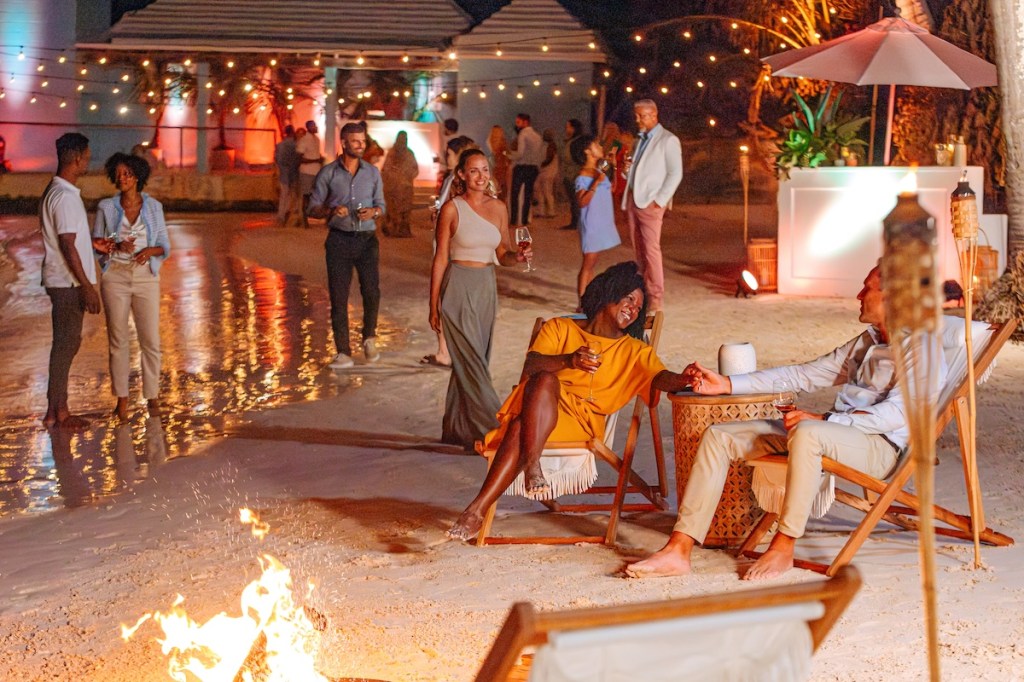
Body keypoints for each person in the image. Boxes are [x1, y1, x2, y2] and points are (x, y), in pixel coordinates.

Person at [626, 266, 947, 581]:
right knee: (719, 436)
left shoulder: (923, 347)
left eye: (868, 289)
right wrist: (727, 383)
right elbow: (803, 374)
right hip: (834, 433)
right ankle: (679, 549)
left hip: (880, 447)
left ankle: (784, 545)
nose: (860, 295)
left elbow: (897, 414)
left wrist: (825, 420)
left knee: (807, 431)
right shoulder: (869, 341)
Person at [447, 261, 693, 541]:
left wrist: (685, 379)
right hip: (541, 411)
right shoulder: (559, 329)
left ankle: (490, 498)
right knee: (543, 380)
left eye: (639, 307)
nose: (634, 309)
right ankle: (496, 494)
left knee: (520, 426)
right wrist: (569, 360)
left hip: (581, 423)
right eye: (629, 299)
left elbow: (660, 377)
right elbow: (532, 365)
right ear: (609, 292)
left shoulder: (634, 351)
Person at [429, 148, 531, 450]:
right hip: (457, 287)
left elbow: (503, 255)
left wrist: (520, 256)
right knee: (472, 363)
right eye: (473, 170)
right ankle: (497, 429)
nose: (481, 176)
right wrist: (433, 303)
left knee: (475, 359)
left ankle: (459, 431)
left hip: (486, 286)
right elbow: (440, 258)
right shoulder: (451, 209)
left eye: (485, 170)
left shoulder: (499, 208)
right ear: (461, 174)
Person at [93, 152, 172, 420]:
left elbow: (165, 246)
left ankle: (152, 397)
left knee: (150, 339)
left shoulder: (154, 208)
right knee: (118, 340)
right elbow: (98, 241)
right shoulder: (106, 207)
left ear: (137, 176)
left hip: (145, 277)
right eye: (118, 173)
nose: (122, 178)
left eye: (126, 173)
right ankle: (122, 400)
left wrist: (150, 251)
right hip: (115, 275)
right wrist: (116, 243)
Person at [40, 133, 108, 428]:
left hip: (61, 280)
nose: (88, 161)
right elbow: (67, 245)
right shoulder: (65, 196)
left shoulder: (55, 191)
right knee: (66, 344)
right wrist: (87, 286)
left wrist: (94, 246)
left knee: (65, 344)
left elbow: (70, 241)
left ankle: (55, 408)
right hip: (68, 283)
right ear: (78, 157)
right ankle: (59, 411)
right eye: (87, 156)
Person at [308, 122, 386, 368]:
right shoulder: (328, 173)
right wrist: (332, 210)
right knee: (339, 297)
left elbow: (382, 206)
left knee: (371, 291)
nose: (361, 145)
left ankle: (369, 337)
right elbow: (312, 209)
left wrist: (373, 212)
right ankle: (343, 351)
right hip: (339, 240)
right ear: (343, 143)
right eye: (356, 141)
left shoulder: (373, 173)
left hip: (367, 241)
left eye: (363, 141)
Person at [620, 100, 683, 312]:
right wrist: (627, 170)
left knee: (651, 248)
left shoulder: (668, 140)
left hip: (651, 202)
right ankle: (644, 291)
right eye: (636, 115)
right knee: (638, 248)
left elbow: (676, 173)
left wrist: (660, 200)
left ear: (653, 115)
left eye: (641, 116)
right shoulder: (639, 140)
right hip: (634, 198)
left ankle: (656, 295)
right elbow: (638, 172)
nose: (637, 120)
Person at [422, 135, 477, 369]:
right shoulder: (450, 178)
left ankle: (452, 351)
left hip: (457, 248)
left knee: (454, 301)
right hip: (446, 243)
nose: (446, 157)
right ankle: (445, 350)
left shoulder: (467, 183)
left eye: (450, 153)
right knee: (447, 299)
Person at [571, 134, 621, 308]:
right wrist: (595, 182)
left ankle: (588, 299)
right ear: (587, 151)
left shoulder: (599, 172)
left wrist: (613, 168)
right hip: (591, 223)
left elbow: (611, 188)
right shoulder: (583, 176)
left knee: (592, 264)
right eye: (596, 145)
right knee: (588, 264)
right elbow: (582, 202)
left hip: (602, 221)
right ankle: (582, 304)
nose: (600, 147)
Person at [507, 113, 545, 228]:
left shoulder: (523, 134)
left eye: (518, 122)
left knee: (515, 193)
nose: (517, 125)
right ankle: (524, 220)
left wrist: (509, 155)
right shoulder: (538, 136)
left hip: (521, 167)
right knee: (528, 194)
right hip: (533, 168)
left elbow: (520, 154)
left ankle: (513, 220)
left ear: (525, 122)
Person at [380, 131, 419, 238]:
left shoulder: (401, 153)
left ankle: (398, 229)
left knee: (401, 209)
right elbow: (414, 170)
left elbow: (414, 169)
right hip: (397, 188)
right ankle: (395, 229)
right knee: (396, 209)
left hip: (401, 188)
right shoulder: (396, 153)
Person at [558, 119, 584, 230]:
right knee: (573, 200)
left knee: (575, 200)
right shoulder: (571, 141)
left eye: (568, 127)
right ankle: (575, 221)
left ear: (574, 128)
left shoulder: (577, 142)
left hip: (574, 174)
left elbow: (570, 158)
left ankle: (576, 222)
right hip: (569, 174)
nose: (566, 129)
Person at [296, 120, 323, 228]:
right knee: (306, 195)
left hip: (315, 172)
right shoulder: (304, 140)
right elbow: (300, 159)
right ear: (309, 128)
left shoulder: (316, 139)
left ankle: (309, 217)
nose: (316, 128)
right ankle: (304, 220)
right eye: (314, 126)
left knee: (313, 196)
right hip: (307, 172)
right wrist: (316, 160)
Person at [273, 125, 301, 227]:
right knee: (294, 195)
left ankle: (281, 216)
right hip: (294, 173)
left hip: (283, 174)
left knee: (283, 195)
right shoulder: (296, 145)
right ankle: (292, 215)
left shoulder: (280, 145)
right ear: (292, 132)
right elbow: (298, 160)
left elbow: (276, 159)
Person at [533, 128, 559, 218]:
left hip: (547, 172)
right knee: (539, 190)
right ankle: (542, 211)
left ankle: (550, 211)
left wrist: (540, 165)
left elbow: (548, 158)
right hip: (544, 172)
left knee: (547, 192)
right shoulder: (546, 145)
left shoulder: (551, 146)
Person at [486, 125, 510, 200]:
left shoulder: (505, 158)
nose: (493, 141)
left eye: (496, 138)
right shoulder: (490, 159)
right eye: (492, 138)